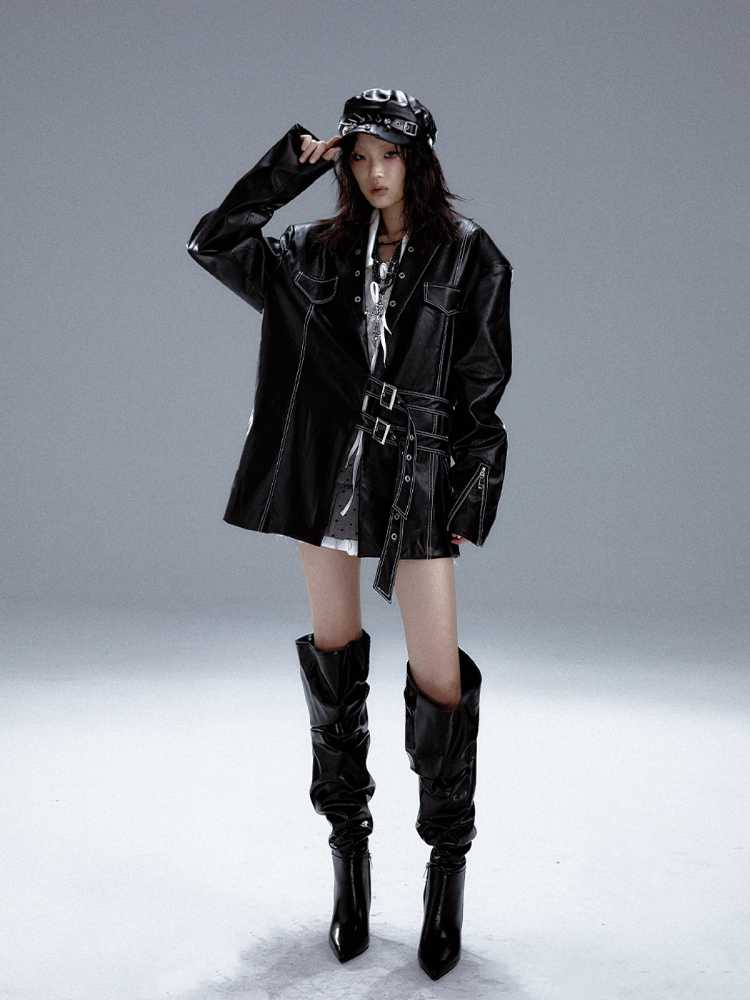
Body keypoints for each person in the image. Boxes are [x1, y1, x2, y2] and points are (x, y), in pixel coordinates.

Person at [186, 88, 513, 980]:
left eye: (388, 156)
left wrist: (470, 495)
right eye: (359, 157)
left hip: (416, 478)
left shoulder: (468, 254)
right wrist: (286, 169)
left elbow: (482, 385)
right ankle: (350, 864)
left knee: (439, 683)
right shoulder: (312, 253)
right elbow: (214, 241)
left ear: (418, 161)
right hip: (326, 474)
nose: (373, 173)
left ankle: (445, 875)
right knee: (335, 675)